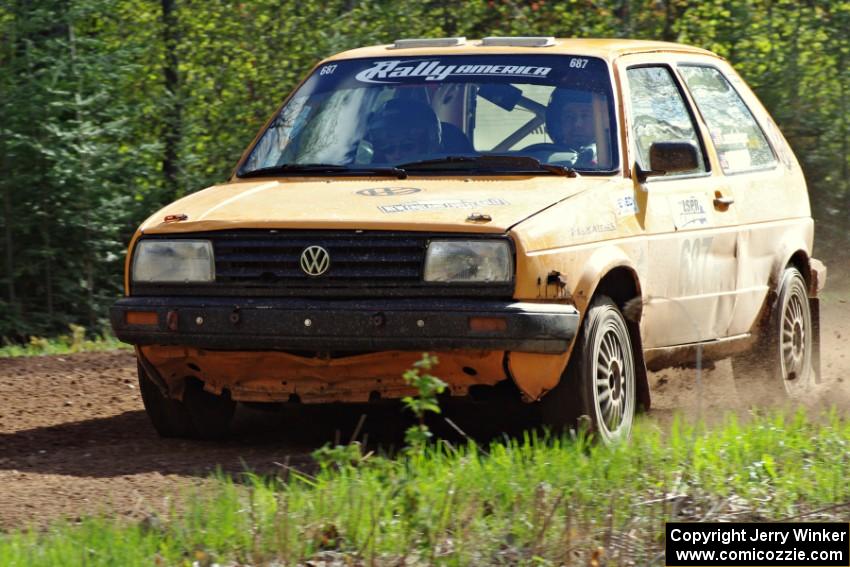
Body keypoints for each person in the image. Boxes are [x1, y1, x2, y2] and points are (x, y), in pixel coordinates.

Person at [525, 88, 598, 167]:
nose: (577, 124)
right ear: (558, 124)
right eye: (569, 116)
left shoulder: (607, 164)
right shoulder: (540, 159)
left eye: (585, 116)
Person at [367, 98, 442, 163]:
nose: (397, 155)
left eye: (407, 147)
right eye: (389, 149)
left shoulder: (443, 177)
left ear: (425, 146)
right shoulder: (366, 175)